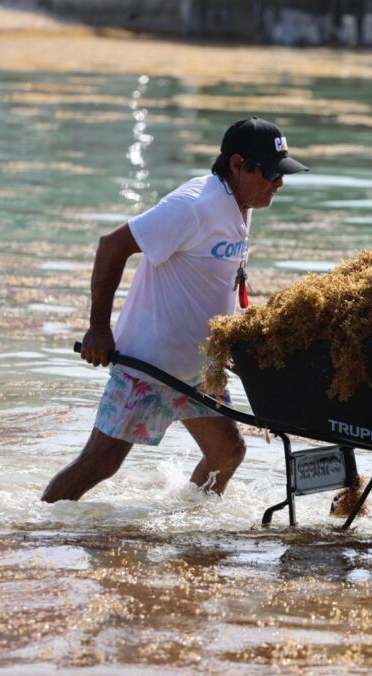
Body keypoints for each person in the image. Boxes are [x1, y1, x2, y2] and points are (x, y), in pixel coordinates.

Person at [41, 117, 308, 503]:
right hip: (147, 364)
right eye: (271, 173)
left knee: (227, 454)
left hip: (198, 370)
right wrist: (98, 329)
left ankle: (189, 524)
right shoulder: (194, 206)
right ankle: (37, 531)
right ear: (237, 165)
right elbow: (111, 246)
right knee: (100, 463)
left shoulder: (239, 204)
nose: (279, 183)